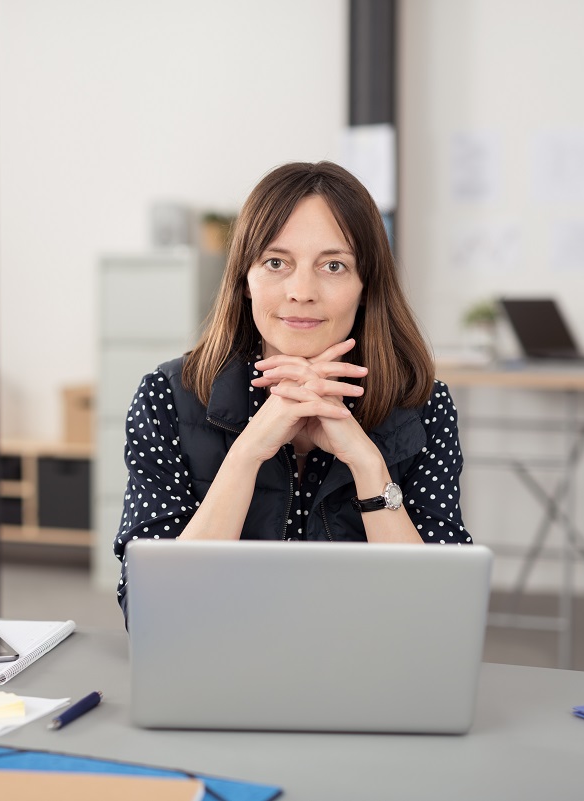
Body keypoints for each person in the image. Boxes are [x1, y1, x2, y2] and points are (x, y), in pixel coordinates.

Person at [113, 161, 470, 620]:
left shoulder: (423, 405)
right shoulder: (168, 397)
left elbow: (439, 616)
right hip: (220, 674)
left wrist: (366, 463)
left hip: (369, 677)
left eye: (334, 265)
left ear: (367, 285)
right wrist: (248, 451)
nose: (301, 291)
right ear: (245, 279)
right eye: (276, 262)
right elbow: (152, 613)